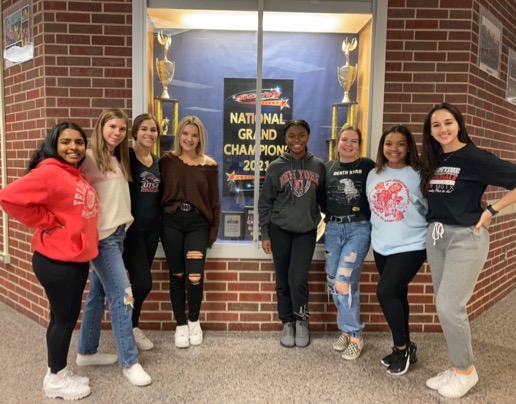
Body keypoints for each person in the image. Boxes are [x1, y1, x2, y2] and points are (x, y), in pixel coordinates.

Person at [419, 103, 516, 398]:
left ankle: (466, 371)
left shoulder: (474, 157)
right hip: (437, 238)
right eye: (436, 125)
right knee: (444, 306)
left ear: (459, 125)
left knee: (451, 306)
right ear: (430, 131)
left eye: (448, 122)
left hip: (466, 238)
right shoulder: (436, 159)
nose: (443, 129)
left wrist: (492, 210)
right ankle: (456, 366)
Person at [0, 123, 98, 400]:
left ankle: (57, 370)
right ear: (54, 143)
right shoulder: (50, 172)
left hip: (73, 257)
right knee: (64, 320)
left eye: (79, 142)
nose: (73, 147)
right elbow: (7, 197)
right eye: (65, 141)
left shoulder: (73, 173)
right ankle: (56, 379)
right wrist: (47, 222)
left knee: (59, 318)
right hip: (58, 260)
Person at [76, 109, 152, 387]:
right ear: (101, 126)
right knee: (123, 297)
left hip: (119, 235)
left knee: (96, 294)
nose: (117, 133)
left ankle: (86, 351)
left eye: (122, 129)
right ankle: (130, 362)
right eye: (112, 126)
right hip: (104, 239)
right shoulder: (88, 157)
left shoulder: (116, 158)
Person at [258, 119, 326, 348]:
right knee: (282, 279)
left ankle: (302, 320)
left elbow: (323, 200)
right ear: (285, 139)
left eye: (301, 135)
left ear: (308, 136)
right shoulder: (276, 166)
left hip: (305, 231)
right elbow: (265, 202)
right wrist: (265, 233)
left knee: (298, 279)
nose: (296, 141)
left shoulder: (317, 165)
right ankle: (287, 322)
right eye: (291, 136)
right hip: (280, 231)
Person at [366, 125, 428, 375]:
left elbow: (433, 207)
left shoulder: (420, 174)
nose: (394, 149)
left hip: (412, 243)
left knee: (385, 291)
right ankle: (407, 346)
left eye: (400, 144)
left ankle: (400, 348)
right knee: (398, 294)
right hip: (382, 244)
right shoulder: (374, 174)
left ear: (409, 147)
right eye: (389, 143)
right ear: (382, 147)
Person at [160, 115, 220, 349]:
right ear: (179, 136)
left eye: (194, 135)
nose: (189, 138)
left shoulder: (209, 166)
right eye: (185, 133)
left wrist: (212, 233)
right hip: (171, 223)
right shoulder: (167, 161)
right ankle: (181, 325)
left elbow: (215, 203)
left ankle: (194, 321)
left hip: (197, 224)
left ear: (200, 138)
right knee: (177, 275)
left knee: (194, 276)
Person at [324, 124, 375, 360]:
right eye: (345, 139)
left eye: (354, 141)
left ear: (359, 145)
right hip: (333, 228)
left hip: (358, 228)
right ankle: (345, 328)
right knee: (335, 283)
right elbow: (322, 200)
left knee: (344, 283)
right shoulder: (329, 168)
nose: (348, 144)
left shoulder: (367, 166)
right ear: (338, 143)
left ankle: (355, 336)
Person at [122, 113, 162, 351]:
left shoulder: (158, 162)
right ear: (135, 132)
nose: (149, 133)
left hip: (151, 232)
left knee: (138, 281)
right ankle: (129, 326)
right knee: (143, 283)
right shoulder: (125, 158)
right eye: (144, 129)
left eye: (153, 130)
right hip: (131, 232)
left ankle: (130, 326)